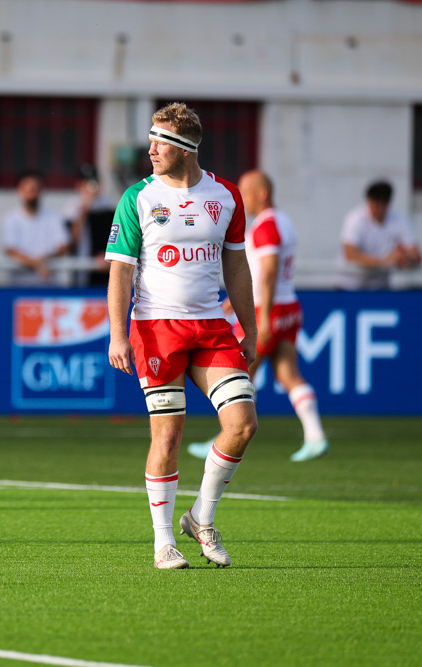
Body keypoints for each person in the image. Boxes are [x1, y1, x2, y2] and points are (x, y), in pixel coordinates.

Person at [106, 103, 259, 570]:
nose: (151, 149)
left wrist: (249, 329)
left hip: (211, 327)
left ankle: (201, 519)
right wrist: (117, 333)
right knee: (168, 436)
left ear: (187, 148)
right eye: (151, 138)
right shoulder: (138, 197)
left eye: (161, 141)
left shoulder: (227, 196)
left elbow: (236, 264)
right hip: (156, 328)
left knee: (243, 424)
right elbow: (119, 271)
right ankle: (162, 543)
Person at [187, 171, 328, 463]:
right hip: (288, 307)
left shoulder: (265, 226)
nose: (243, 199)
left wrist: (262, 319)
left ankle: (228, 436)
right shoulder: (284, 222)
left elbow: (268, 272)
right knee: (288, 374)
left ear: (262, 193)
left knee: (238, 375)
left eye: (247, 193)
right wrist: (232, 303)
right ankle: (315, 436)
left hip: (269, 309)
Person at [338, 180, 421, 290]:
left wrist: (404, 258)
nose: (375, 208)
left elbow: (416, 256)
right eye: (372, 203)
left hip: (380, 288)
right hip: (350, 286)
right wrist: (384, 261)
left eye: (380, 204)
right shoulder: (355, 219)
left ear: (387, 204)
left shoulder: (399, 220)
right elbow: (350, 254)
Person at [2, 171, 71, 286]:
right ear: (20, 191)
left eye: (35, 189)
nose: (32, 194)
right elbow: (10, 250)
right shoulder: (10, 218)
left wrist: (44, 260)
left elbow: (63, 246)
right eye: (28, 190)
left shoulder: (53, 216)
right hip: (19, 286)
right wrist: (37, 264)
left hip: (49, 285)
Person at [62, 164, 115, 286]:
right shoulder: (71, 208)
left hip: (103, 269)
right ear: (78, 185)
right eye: (85, 182)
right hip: (80, 269)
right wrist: (84, 209)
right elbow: (71, 241)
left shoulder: (108, 207)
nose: (90, 186)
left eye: (93, 181)